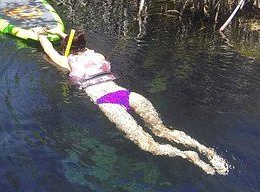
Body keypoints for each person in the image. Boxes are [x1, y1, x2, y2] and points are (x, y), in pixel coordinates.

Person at [33, 27, 229, 175]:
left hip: (106, 101)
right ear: (84, 44)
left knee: (148, 145)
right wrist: (60, 33)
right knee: (163, 131)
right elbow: (75, 43)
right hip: (125, 94)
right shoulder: (97, 55)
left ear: (67, 48)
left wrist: (40, 34)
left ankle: (186, 155)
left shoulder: (66, 62)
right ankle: (208, 152)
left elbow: (48, 50)